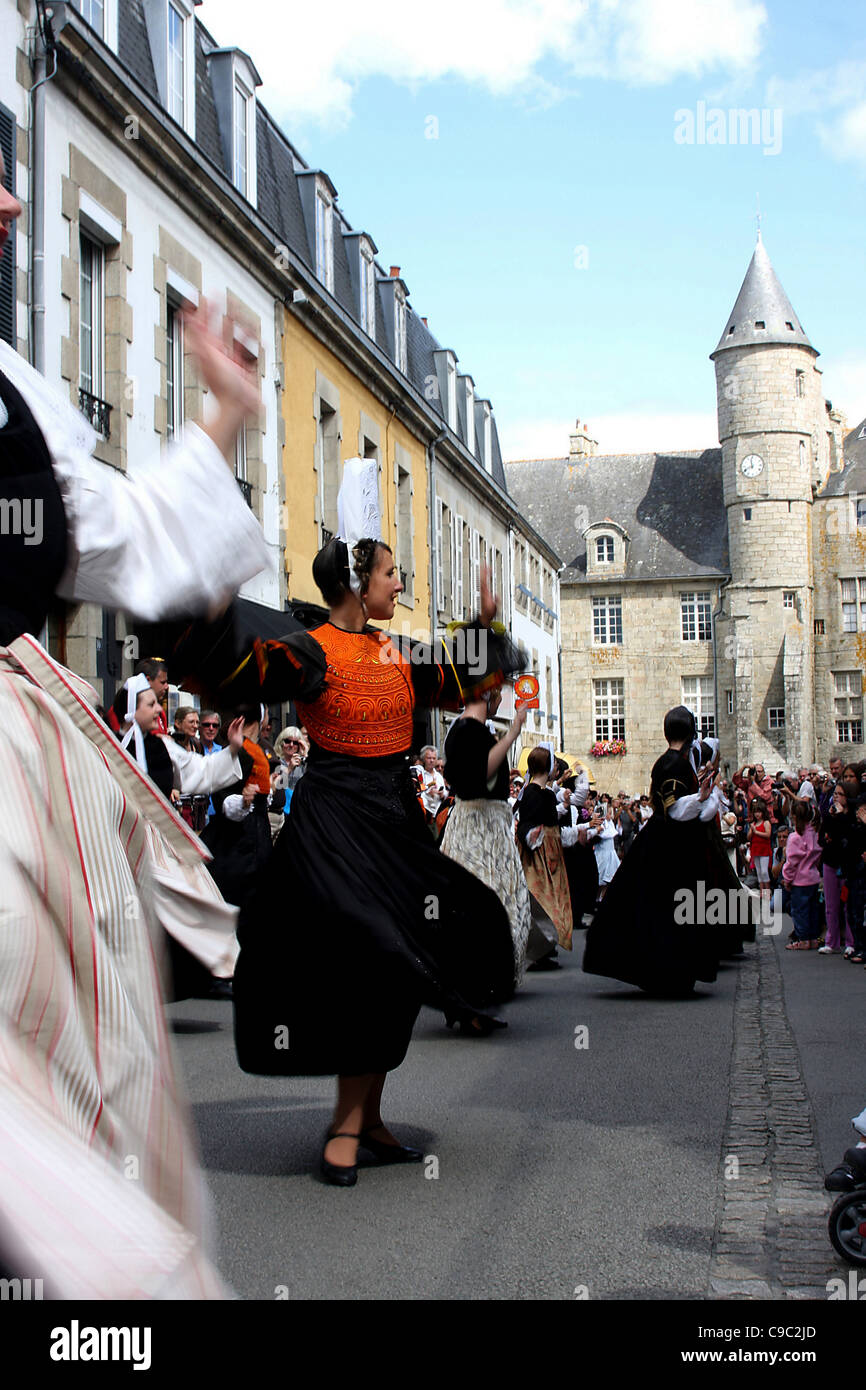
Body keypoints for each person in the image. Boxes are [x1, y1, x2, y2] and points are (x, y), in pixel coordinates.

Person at [0, 142, 267, 1298]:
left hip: (25, 789)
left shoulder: (14, 393)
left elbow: (132, 540)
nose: (12, 199)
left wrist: (225, 411)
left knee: (74, 1092)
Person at [223, 463, 524, 1186]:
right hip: (334, 828)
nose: (398, 586)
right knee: (369, 958)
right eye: (391, 574)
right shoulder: (309, 648)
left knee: (399, 969)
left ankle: (373, 1121)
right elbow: (242, 669)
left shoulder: (397, 654)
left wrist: (483, 626)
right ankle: (344, 1126)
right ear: (359, 585)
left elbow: (465, 679)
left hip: (394, 825)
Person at [583, 706, 742, 996]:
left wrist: (702, 798)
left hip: (668, 840)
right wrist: (702, 798)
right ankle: (671, 970)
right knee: (669, 907)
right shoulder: (674, 765)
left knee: (663, 907)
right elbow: (676, 809)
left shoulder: (672, 762)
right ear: (689, 732)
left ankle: (673, 970)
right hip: (673, 844)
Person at [440, 689, 530, 997]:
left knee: (502, 902)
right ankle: (477, 988)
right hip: (477, 829)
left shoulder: (473, 730)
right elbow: (475, 776)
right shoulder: (466, 730)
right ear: (488, 693)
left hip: (488, 827)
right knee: (485, 904)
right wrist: (512, 734)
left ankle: (485, 986)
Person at [515, 745, 577, 968]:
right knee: (541, 901)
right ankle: (539, 950)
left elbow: (550, 817)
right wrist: (534, 835)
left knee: (551, 900)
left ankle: (547, 945)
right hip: (537, 855)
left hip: (549, 852)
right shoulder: (532, 792)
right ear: (546, 767)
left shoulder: (543, 792)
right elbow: (526, 823)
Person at [782, 799, 823, 950]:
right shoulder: (814, 833)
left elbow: (791, 862)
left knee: (799, 911)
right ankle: (813, 937)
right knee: (812, 909)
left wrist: (787, 878)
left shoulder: (795, 837)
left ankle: (803, 938)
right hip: (813, 877)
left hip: (800, 881)